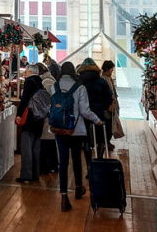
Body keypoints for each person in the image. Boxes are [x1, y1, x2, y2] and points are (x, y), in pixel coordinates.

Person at [49, 62, 102, 211]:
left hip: (59, 129)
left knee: (63, 162)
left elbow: (52, 107)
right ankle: (78, 188)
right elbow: (85, 111)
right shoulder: (80, 87)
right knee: (77, 159)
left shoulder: (55, 86)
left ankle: (64, 197)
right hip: (76, 130)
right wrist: (97, 120)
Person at [77, 57, 114, 165]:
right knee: (101, 139)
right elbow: (108, 98)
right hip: (98, 114)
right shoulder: (101, 82)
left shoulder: (79, 82)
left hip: (82, 115)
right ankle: (99, 161)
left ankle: (89, 166)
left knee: (86, 140)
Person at [14, 64, 44, 183]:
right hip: (39, 118)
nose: (24, 74)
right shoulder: (40, 83)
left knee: (26, 147)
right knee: (36, 147)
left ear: (31, 72)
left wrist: (19, 114)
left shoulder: (29, 82)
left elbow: (25, 100)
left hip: (29, 118)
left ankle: (26, 175)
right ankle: (35, 174)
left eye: (25, 72)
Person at [37, 63, 59, 175]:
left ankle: (47, 166)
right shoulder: (49, 79)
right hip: (51, 114)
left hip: (48, 115)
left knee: (46, 141)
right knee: (50, 141)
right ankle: (53, 165)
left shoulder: (46, 82)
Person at [102, 60, 120, 150]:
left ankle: (107, 141)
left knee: (110, 123)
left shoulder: (108, 78)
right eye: (112, 69)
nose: (112, 71)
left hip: (111, 104)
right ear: (107, 69)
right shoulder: (103, 79)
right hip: (107, 106)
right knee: (108, 124)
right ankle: (106, 142)